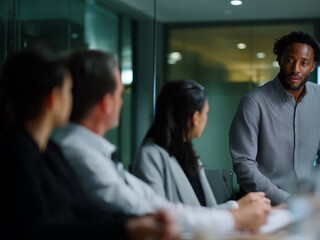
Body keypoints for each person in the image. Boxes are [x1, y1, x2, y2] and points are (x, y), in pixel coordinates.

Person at [54, 49, 270, 234]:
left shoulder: (91, 151)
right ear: (106, 103)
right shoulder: (80, 153)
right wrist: (235, 217)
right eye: (120, 93)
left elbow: (157, 205)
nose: (122, 102)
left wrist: (235, 210)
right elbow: (154, 212)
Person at [0, 45, 179, 240]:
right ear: (53, 98)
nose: (73, 98)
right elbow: (40, 230)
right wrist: (128, 229)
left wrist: (134, 224)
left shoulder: (49, 151)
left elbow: (83, 210)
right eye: (69, 90)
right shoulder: (16, 155)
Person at [229, 31, 320, 206]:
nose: (296, 69)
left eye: (304, 63)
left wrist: (318, 192)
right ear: (279, 60)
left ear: (312, 66)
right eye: (290, 60)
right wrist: (286, 201)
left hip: (308, 207)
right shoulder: (253, 102)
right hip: (263, 205)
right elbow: (243, 164)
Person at [132, 80, 271, 210]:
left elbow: (207, 213)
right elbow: (160, 217)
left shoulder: (190, 158)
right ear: (195, 118)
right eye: (206, 113)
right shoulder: (150, 156)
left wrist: (239, 207)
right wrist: (235, 207)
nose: (206, 118)